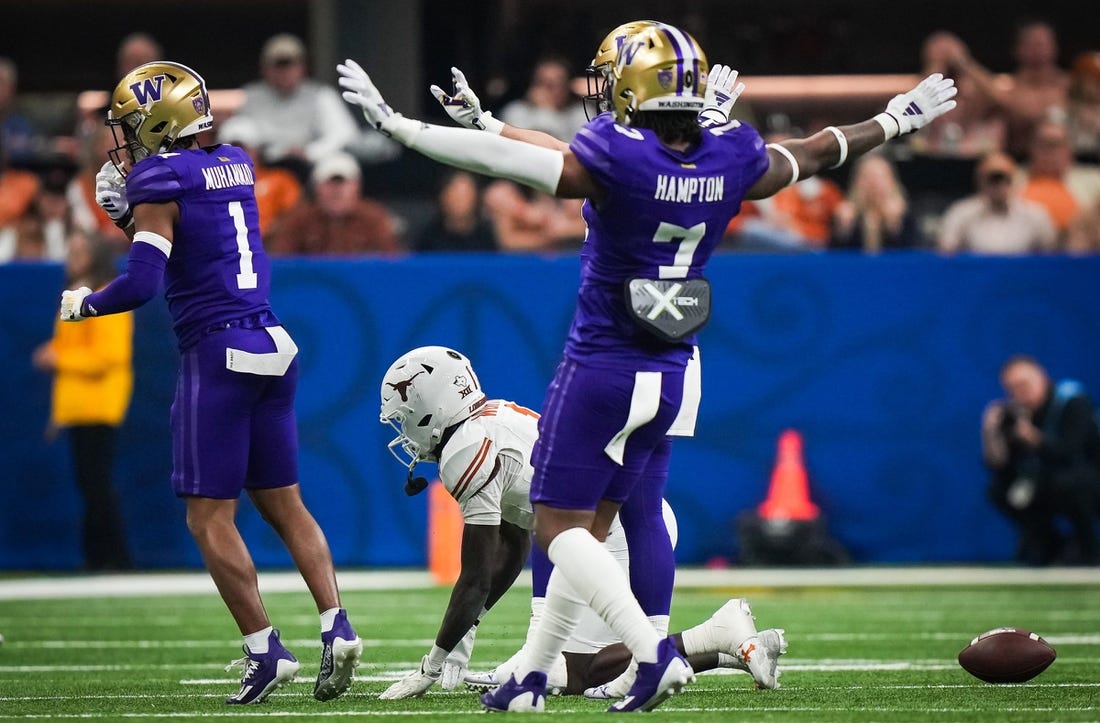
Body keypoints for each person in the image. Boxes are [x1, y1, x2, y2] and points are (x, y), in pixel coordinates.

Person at [338, 23, 955, 712]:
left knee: (559, 529)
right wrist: (896, 118)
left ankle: (652, 655)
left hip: (604, 362)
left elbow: (533, 168)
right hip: (674, 366)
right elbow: (815, 151)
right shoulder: (730, 154)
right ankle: (542, 674)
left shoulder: (620, 156)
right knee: (619, 517)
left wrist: (402, 128)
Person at [56, 61, 361, 705]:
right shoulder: (237, 162)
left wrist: (85, 303)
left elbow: (142, 283)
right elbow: (197, 240)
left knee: (207, 518)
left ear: (159, 123)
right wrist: (133, 219)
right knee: (285, 504)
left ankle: (264, 647)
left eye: (133, 125)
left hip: (218, 351)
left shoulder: (157, 176)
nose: (126, 139)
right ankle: (337, 623)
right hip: (273, 344)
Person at [374, 346, 785, 700]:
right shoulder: (489, 422)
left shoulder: (465, 452)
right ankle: (729, 647)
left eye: (405, 416)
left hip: (611, 534)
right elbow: (512, 548)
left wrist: (435, 663)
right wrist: (466, 636)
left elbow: (477, 576)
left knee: (579, 673)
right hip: (610, 525)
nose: (404, 430)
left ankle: (718, 633)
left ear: (434, 407)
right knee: (568, 670)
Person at [32, 229, 133, 570]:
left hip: (99, 404)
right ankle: (99, 557)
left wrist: (59, 359)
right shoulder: (75, 295)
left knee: (97, 484)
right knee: (90, 484)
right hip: (79, 405)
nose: (71, 258)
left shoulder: (107, 297)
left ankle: (112, 558)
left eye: (79, 251)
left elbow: (109, 356)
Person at [981, 355, 1100, 565]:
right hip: (1044, 482)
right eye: (1013, 388)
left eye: (1024, 384)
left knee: (1071, 483)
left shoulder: (1072, 402)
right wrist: (990, 432)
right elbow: (999, 465)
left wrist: (1032, 437)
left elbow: (1071, 453)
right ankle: (1051, 546)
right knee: (1002, 490)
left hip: (1086, 480)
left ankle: (1087, 547)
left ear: (1042, 378)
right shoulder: (1016, 415)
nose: (1020, 392)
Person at [234, 33, 359, 177]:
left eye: (290, 65)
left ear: (302, 67)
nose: (284, 72)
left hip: (311, 167)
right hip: (266, 166)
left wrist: (309, 152)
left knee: (341, 163)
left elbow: (345, 134)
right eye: (278, 65)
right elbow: (238, 133)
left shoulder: (320, 94)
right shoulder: (251, 96)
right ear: (264, 68)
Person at [266, 150, 399, 256]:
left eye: (343, 184)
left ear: (357, 187)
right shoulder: (298, 220)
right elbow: (282, 262)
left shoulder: (373, 218)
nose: (337, 191)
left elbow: (391, 262)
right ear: (316, 187)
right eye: (330, 184)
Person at [937, 151, 1056, 254]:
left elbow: (1050, 257)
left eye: (1006, 178)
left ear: (1014, 180)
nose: (1001, 185)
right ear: (980, 181)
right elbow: (946, 254)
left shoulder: (1036, 215)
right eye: (994, 178)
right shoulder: (961, 213)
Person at [216, 115, 302, 238]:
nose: (236, 156)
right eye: (230, 150)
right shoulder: (208, 183)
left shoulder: (280, 180)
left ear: (256, 150)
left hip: (270, 247)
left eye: (243, 149)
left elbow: (294, 216)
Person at [830, 153, 924, 252]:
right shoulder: (844, 215)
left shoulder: (906, 214)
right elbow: (832, 257)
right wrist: (843, 230)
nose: (873, 183)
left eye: (880, 177)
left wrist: (895, 226)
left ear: (892, 181)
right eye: (867, 176)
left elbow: (914, 255)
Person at [499, 56, 589, 143]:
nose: (547, 89)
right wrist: (545, 110)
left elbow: (569, 152)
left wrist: (546, 110)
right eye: (541, 82)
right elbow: (525, 148)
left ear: (567, 86)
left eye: (555, 84)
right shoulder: (515, 112)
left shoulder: (582, 114)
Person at [413, 170, 498, 252]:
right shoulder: (428, 237)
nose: (459, 202)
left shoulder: (488, 237)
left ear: (476, 198)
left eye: (465, 196)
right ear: (443, 197)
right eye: (455, 196)